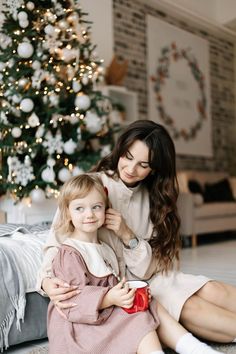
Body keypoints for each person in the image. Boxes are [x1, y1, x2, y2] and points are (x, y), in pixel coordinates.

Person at [38, 120, 234, 349]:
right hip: (123, 288)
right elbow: (56, 243)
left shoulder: (154, 196)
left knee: (211, 289)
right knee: (190, 308)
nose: (131, 169)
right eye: (128, 157)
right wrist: (46, 281)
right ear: (120, 150)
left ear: (154, 169)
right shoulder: (91, 186)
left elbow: (149, 268)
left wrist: (127, 234)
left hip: (151, 276)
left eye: (143, 164)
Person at [47, 173, 163, 354]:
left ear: (106, 210)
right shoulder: (69, 253)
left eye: (96, 207)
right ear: (67, 213)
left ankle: (186, 347)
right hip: (79, 327)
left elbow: (113, 285)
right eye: (79, 208)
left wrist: (125, 294)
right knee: (137, 318)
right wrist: (109, 298)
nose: (89, 214)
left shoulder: (106, 250)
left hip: (103, 313)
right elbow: (73, 299)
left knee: (145, 308)